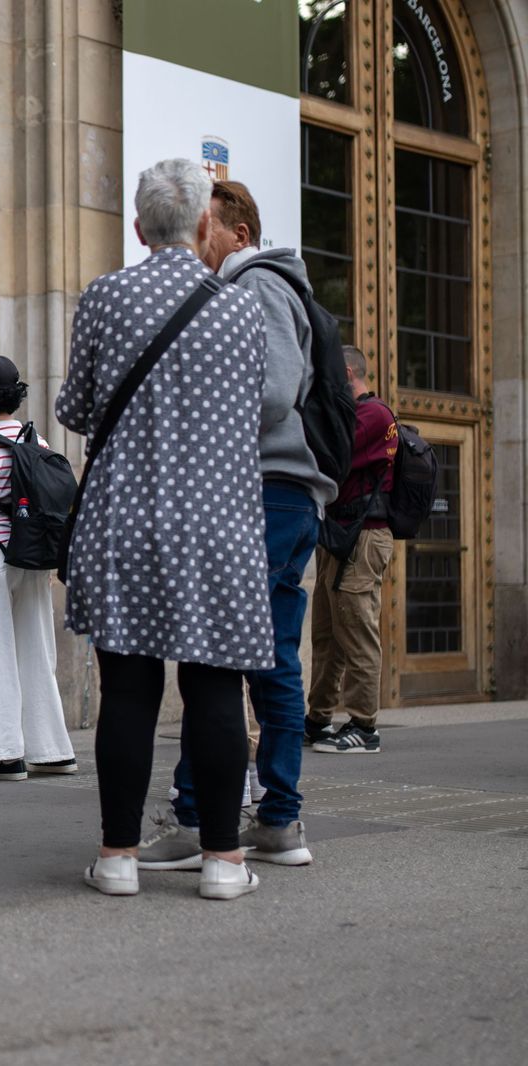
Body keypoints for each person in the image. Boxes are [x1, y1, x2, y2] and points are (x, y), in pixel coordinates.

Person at [58, 158, 272, 901]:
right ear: (206, 224)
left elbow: (75, 409)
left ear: (139, 227)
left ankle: (118, 857)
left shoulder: (106, 295)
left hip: (125, 518)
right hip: (216, 522)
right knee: (215, 688)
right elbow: (257, 409)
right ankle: (223, 863)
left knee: (126, 690)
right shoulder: (241, 308)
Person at [139, 180, 338, 870]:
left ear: (239, 234)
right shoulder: (266, 286)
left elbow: (275, 393)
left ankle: (196, 818)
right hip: (285, 495)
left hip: (268, 492)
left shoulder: (255, 286)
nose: (198, 242)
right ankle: (277, 820)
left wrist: (198, 426)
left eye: (207, 229)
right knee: (269, 658)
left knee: (216, 657)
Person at [0, 354, 78, 782]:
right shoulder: (37, 442)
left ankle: (3, 754)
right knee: (36, 651)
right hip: (33, 557)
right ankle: (52, 750)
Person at [305, 344, 398, 754]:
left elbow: (330, 455)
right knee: (327, 633)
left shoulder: (374, 415)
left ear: (346, 372)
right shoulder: (351, 413)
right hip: (339, 534)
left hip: (363, 537)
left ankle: (364, 725)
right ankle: (318, 718)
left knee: (358, 632)